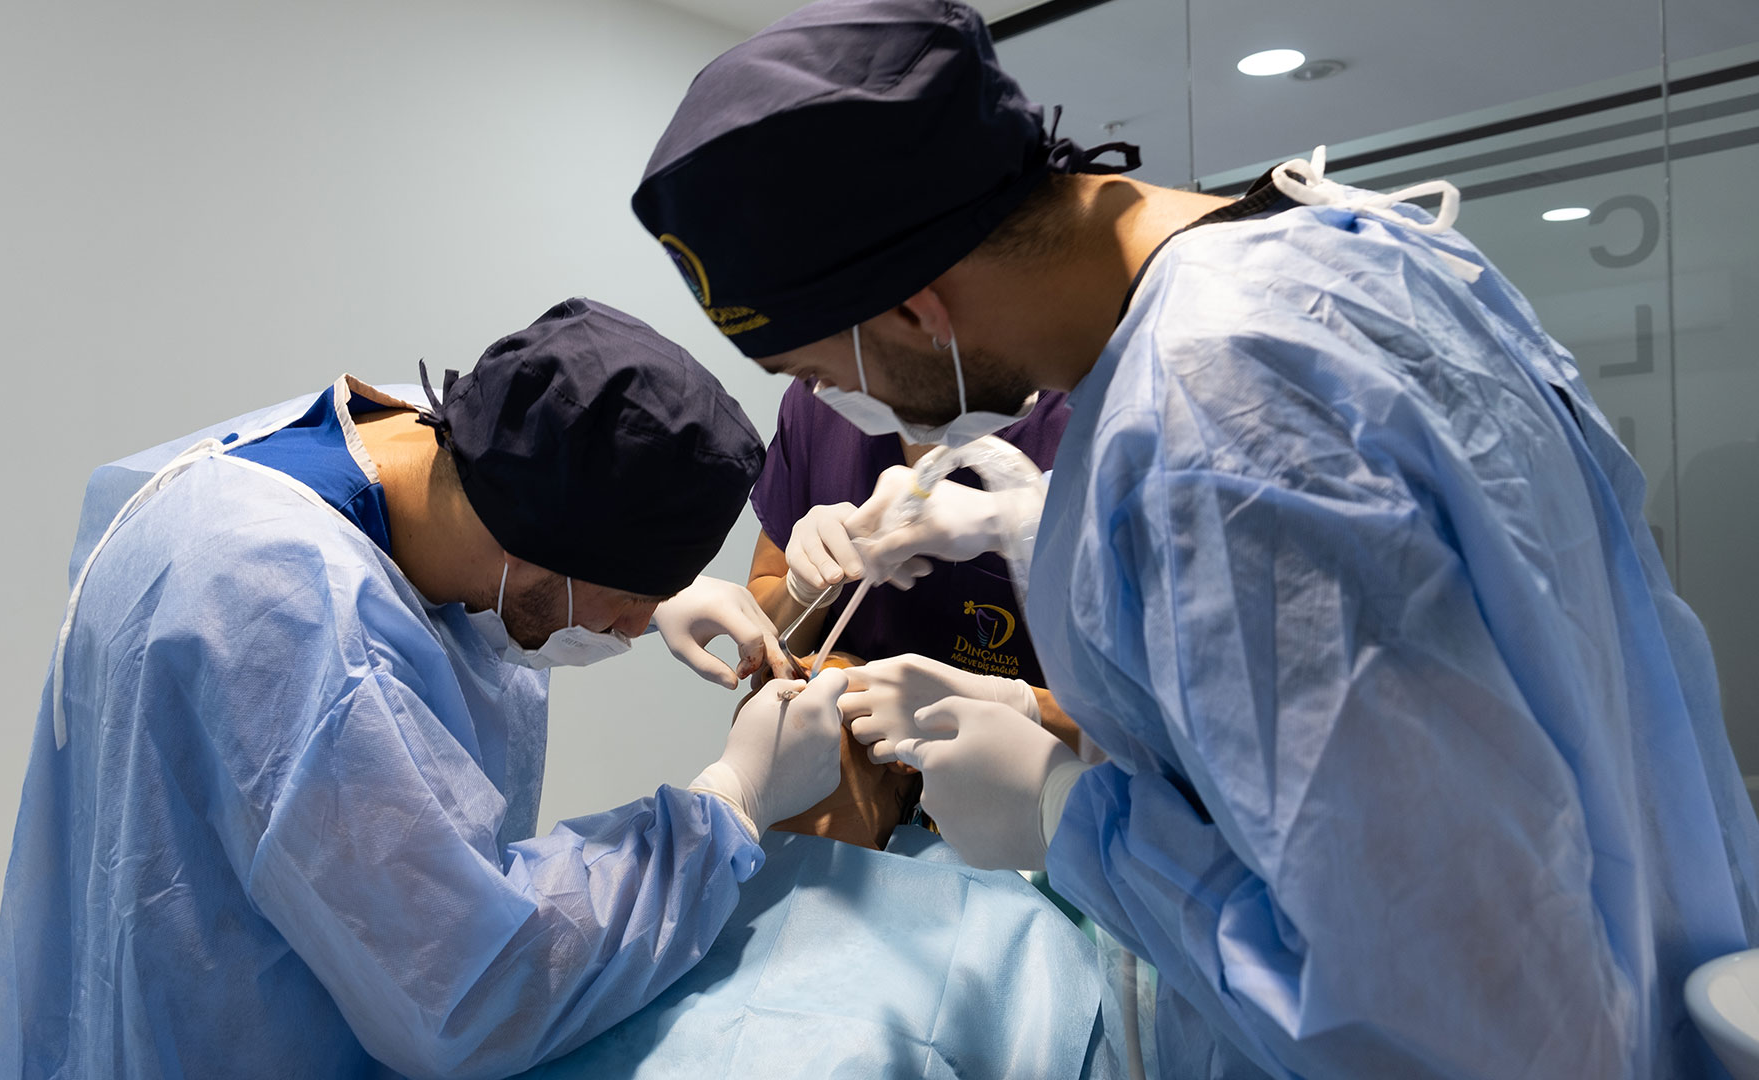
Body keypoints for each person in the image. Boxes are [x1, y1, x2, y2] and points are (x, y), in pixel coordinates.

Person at [631, 2, 1759, 1077]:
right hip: (1658, 973)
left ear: (917, 312)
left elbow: (1431, 1010)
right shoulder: (1345, 256)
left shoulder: (1215, 415)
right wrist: (1039, 527)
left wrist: (1066, 815)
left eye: (819, 372)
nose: (836, 409)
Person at [0, 297, 851, 1080]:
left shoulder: (418, 448)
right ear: (535, 554)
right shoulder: (288, 615)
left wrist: (643, 589)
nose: (631, 628)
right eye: (630, 604)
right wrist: (730, 803)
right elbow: (469, 993)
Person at [520, 659, 1130, 1079]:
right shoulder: (660, 871)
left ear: (899, 765)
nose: (786, 684)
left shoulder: (1005, 932)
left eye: (818, 675)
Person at [747, 378, 1086, 755]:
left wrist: (1008, 707)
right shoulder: (823, 397)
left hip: (1036, 773)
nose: (827, 380)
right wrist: (802, 589)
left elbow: (1136, 721)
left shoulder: (1082, 422)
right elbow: (763, 653)